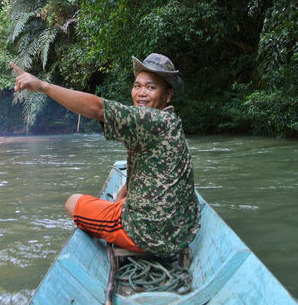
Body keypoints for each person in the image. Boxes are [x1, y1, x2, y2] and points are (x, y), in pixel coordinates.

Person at [10, 53, 200, 256]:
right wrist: (125, 191)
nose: (141, 93)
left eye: (151, 87)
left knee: (73, 202)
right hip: (182, 231)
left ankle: (131, 240)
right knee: (120, 198)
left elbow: (98, 109)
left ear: (168, 95)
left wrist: (43, 86)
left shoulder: (150, 119)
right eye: (137, 86)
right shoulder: (171, 121)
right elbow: (153, 166)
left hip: (150, 235)